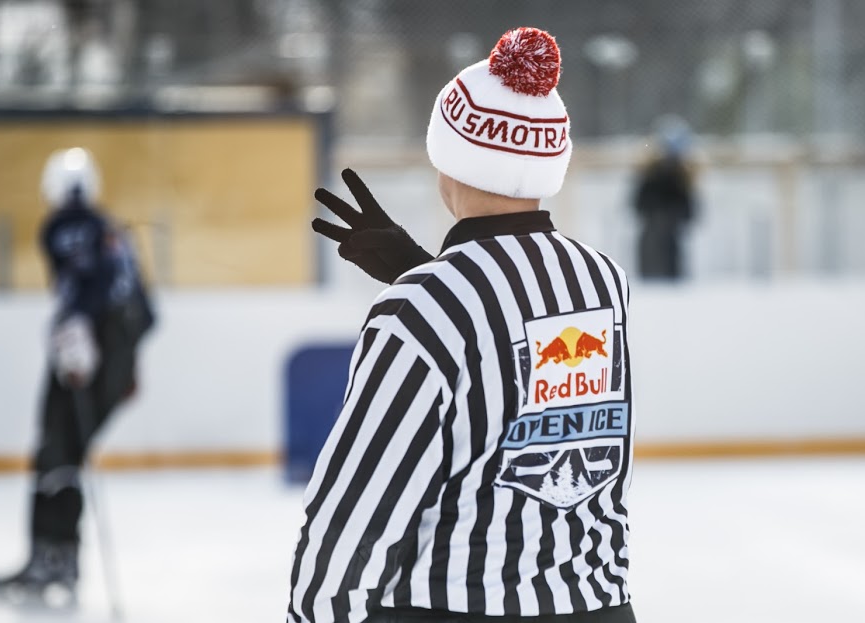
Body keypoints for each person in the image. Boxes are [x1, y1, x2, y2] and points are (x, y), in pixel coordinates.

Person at [290, 27, 636, 623]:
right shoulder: (603, 282)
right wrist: (421, 272)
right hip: (597, 605)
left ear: (449, 158)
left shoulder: (422, 310)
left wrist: (421, 287)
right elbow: (525, 395)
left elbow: (354, 510)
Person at [0, 147, 155, 608]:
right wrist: (126, 361)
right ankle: (61, 557)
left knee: (54, 449)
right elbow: (143, 308)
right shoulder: (110, 229)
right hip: (113, 352)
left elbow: (85, 282)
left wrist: (79, 324)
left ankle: (51, 556)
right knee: (66, 451)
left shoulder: (67, 225)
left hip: (87, 346)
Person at [632, 115, 697, 280]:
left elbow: (689, 211)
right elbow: (638, 205)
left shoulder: (682, 176)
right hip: (652, 240)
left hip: (670, 242)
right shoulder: (650, 174)